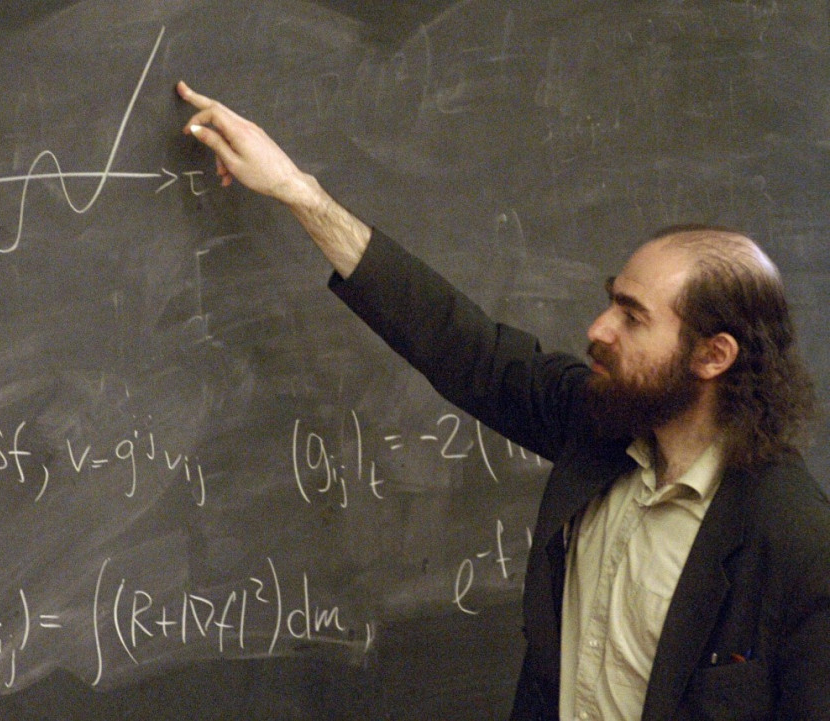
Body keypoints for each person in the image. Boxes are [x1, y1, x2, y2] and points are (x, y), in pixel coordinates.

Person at [177, 81, 830, 720]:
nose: (599, 328)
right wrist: (298, 190)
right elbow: (460, 342)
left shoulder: (795, 542)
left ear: (713, 355)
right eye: (611, 301)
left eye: (633, 317)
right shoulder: (601, 427)